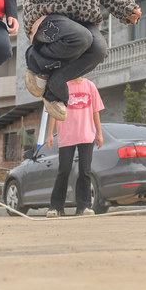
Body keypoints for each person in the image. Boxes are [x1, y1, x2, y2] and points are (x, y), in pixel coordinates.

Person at [44, 77, 105, 217]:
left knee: (85, 170)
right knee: (64, 171)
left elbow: (95, 111)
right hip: (67, 134)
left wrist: (99, 133)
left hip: (86, 134)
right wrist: (49, 134)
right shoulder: (62, 86)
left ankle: (84, 207)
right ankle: (56, 207)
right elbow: (54, 111)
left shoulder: (90, 86)